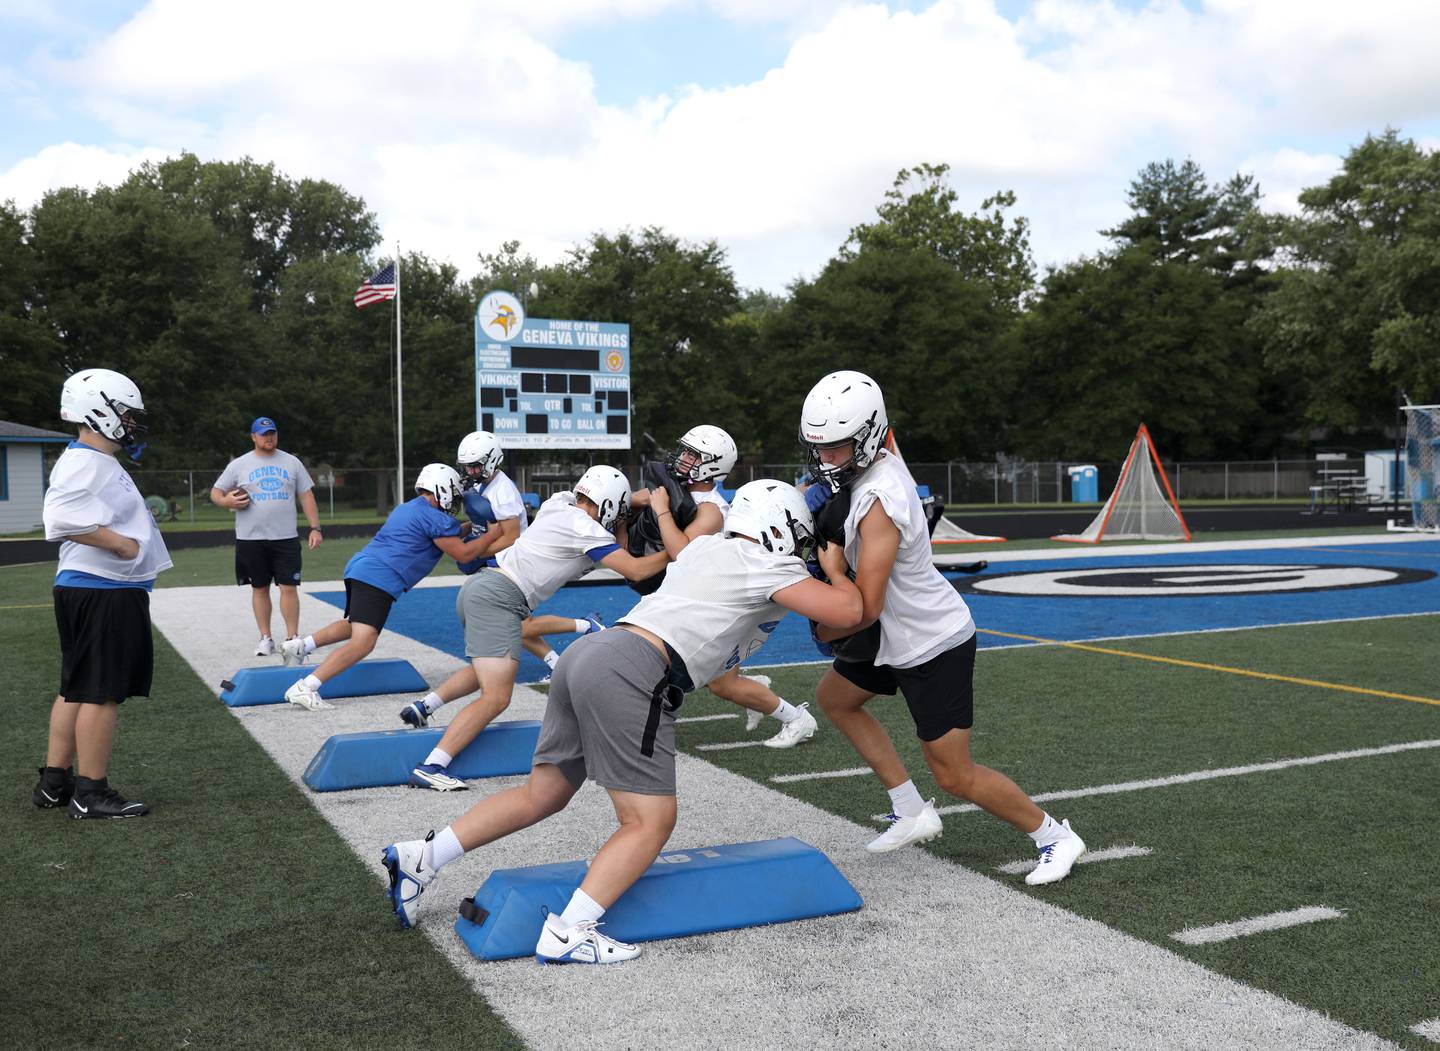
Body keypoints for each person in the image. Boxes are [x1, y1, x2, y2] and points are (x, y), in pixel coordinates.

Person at [380, 479, 863, 964]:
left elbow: (680, 550)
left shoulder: (704, 551)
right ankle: (570, 931)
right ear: (781, 530)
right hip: (635, 669)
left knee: (541, 794)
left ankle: (425, 855)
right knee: (650, 819)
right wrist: (836, 570)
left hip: (588, 655)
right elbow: (848, 611)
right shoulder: (768, 563)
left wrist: (663, 512)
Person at [800, 370, 1086, 885]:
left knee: (955, 774)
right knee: (836, 700)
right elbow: (883, 438)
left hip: (929, 640)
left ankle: (1054, 836)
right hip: (893, 631)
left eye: (837, 448)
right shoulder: (880, 459)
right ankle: (909, 810)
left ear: (864, 439)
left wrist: (830, 579)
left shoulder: (879, 502)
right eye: (820, 448)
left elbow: (863, 606)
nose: (826, 460)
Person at [400, 465, 671, 791]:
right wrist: (678, 547)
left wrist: (631, 507)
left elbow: (616, 529)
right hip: (498, 597)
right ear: (610, 504)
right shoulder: (586, 527)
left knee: (483, 670)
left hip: (484, 589)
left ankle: (425, 706)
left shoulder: (558, 504)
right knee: (496, 697)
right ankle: (432, 765)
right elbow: (637, 570)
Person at [34, 368, 172, 819]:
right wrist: (121, 544)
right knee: (100, 692)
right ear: (100, 411)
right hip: (102, 589)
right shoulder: (86, 460)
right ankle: (90, 791)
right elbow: (59, 518)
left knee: (77, 688)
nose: (132, 424)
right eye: (127, 415)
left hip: (93, 587)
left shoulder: (94, 460)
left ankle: (55, 782)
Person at [279, 465, 492, 711]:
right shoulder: (432, 517)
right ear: (441, 489)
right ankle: (306, 686)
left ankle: (301, 646)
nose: (453, 501)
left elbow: (449, 533)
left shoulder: (413, 508)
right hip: (378, 576)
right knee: (364, 641)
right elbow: (463, 553)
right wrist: (493, 533)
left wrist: (472, 528)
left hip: (364, 569)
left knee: (356, 624)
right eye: (452, 494)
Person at [210, 417, 322, 657]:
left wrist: (315, 527)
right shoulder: (239, 464)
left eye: (272, 433)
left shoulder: (292, 462)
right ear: (253, 437)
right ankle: (265, 638)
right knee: (259, 588)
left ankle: (292, 638)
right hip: (250, 539)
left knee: (289, 587)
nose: (268, 437)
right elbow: (216, 492)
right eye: (263, 434)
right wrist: (225, 500)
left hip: (285, 538)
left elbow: (306, 496)